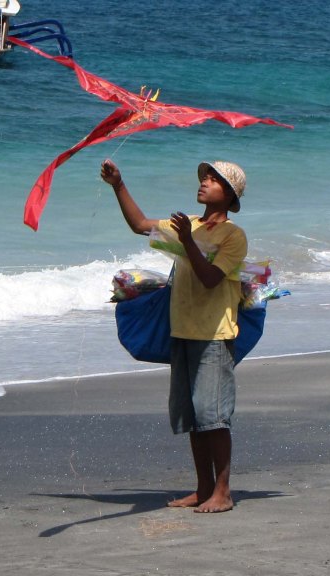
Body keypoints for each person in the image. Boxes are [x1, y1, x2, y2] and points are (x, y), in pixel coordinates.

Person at [101, 157, 248, 513]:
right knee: (194, 417)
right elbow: (139, 225)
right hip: (182, 330)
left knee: (214, 416)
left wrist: (187, 240)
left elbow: (211, 278)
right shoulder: (189, 226)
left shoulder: (233, 236)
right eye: (205, 177)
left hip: (214, 334)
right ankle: (202, 487)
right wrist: (118, 184)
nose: (204, 182)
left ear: (228, 195)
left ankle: (223, 492)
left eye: (213, 180)